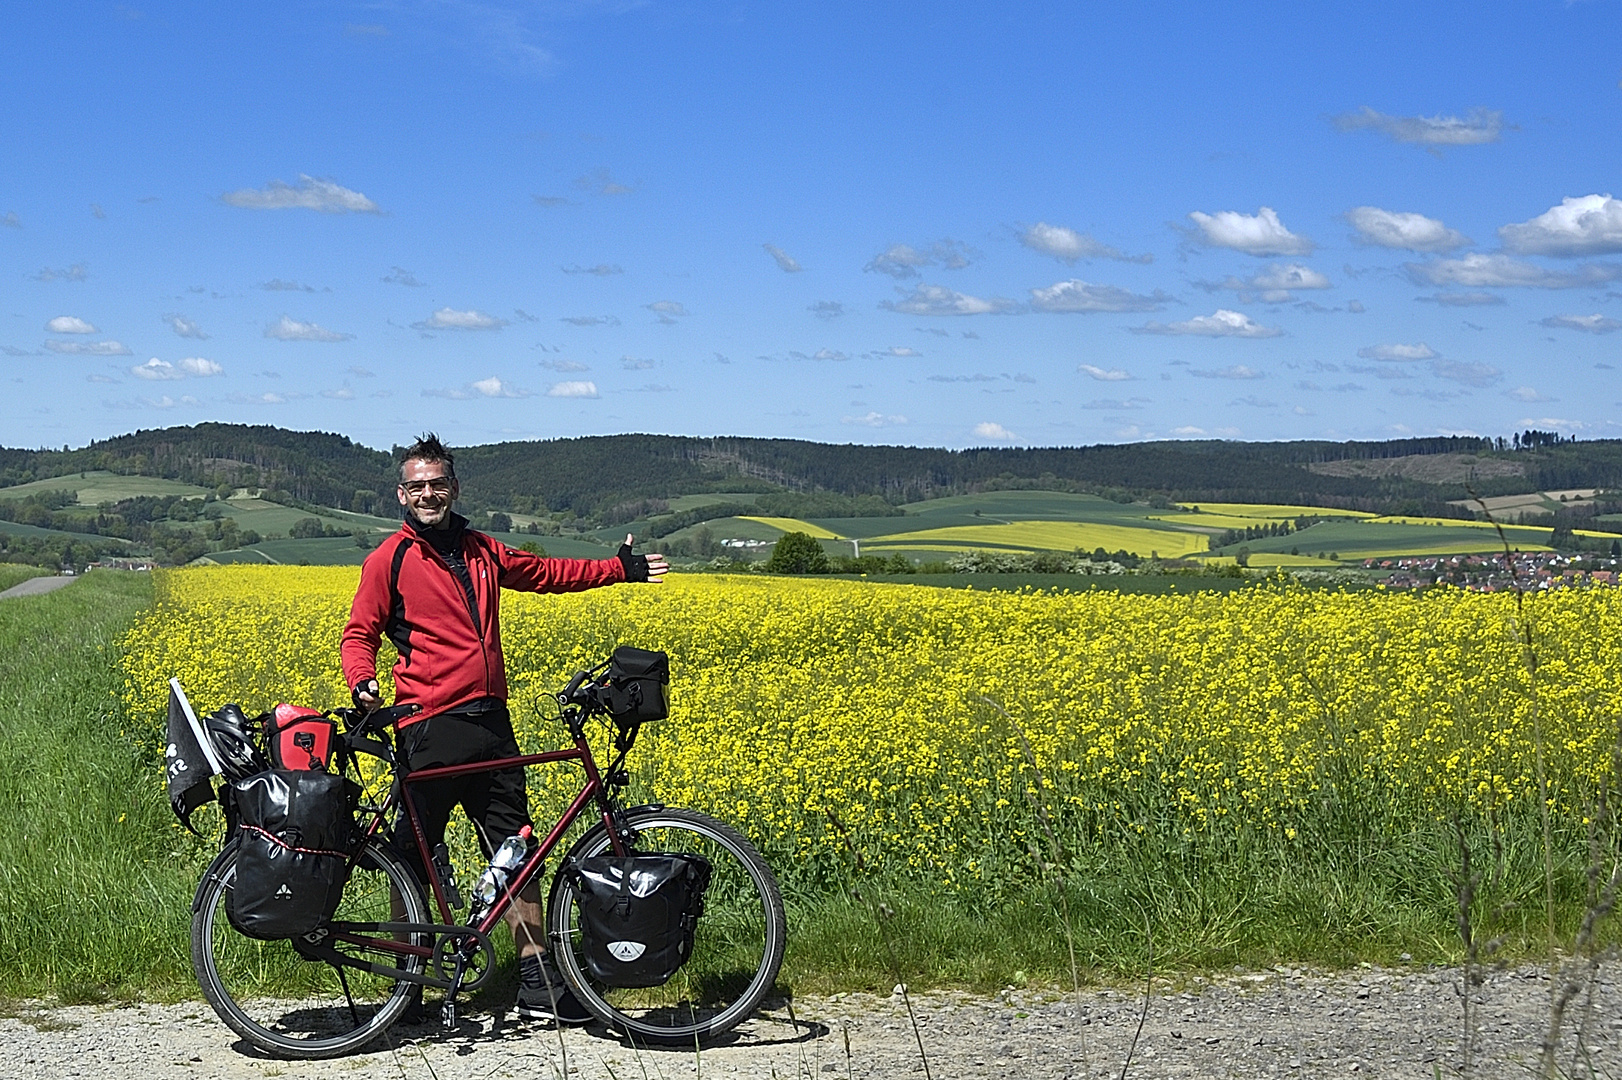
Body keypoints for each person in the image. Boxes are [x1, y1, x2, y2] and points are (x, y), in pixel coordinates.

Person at [341, 433, 667, 1024]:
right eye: (417, 486)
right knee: (413, 857)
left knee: (516, 850)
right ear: (401, 494)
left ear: (454, 488)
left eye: (437, 484)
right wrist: (362, 680)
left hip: (492, 724)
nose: (428, 494)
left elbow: (546, 571)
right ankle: (406, 985)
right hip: (427, 726)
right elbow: (358, 634)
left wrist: (619, 569)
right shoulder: (388, 559)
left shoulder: (482, 550)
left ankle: (537, 980)